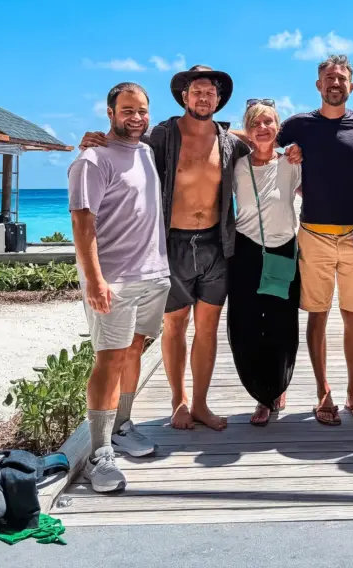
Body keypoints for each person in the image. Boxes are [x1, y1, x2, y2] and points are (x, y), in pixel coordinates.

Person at [81, 65, 250, 432]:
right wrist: (95, 139)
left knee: (208, 328)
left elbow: (264, 150)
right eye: (197, 91)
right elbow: (125, 146)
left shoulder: (230, 142)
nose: (203, 97)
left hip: (215, 245)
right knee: (175, 326)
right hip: (171, 243)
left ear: (218, 100)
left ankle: (201, 403)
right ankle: (179, 402)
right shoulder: (162, 135)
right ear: (184, 96)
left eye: (210, 92)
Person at [68, 82, 171, 493]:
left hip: (152, 275)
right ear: (110, 112)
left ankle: (123, 426)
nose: (137, 117)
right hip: (114, 280)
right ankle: (98, 453)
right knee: (108, 359)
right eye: (128, 110)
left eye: (142, 110)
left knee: (133, 351)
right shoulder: (91, 160)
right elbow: (82, 222)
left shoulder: (145, 151)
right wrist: (94, 280)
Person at [275, 54, 353, 426]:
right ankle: (324, 393)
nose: (335, 83)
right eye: (328, 78)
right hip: (314, 235)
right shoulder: (299, 124)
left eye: (341, 78)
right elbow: (259, 138)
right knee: (317, 315)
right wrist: (290, 164)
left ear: (351, 86)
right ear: (318, 85)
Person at [229, 99, 301, 426]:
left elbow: (325, 183)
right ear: (247, 129)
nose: (262, 128)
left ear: (278, 127)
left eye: (269, 122)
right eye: (255, 123)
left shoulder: (293, 162)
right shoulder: (236, 165)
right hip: (246, 251)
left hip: (283, 249)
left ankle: (272, 392)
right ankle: (259, 390)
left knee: (280, 325)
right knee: (243, 326)